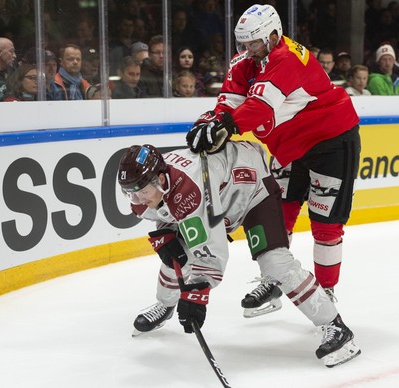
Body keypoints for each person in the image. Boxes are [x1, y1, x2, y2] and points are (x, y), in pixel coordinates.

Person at [118, 142, 361, 368]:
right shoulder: (144, 192)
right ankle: (165, 304)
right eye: (131, 193)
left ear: (160, 179)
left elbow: (212, 253)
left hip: (254, 192)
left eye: (141, 192)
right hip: (222, 194)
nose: (137, 199)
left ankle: (336, 326)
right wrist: (167, 234)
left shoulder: (189, 189)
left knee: (276, 263)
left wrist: (196, 296)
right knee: (177, 255)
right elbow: (165, 215)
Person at [185, 4, 361, 310]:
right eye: (243, 44)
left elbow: (259, 109)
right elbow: (230, 101)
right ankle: (276, 278)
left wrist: (224, 125)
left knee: (325, 225)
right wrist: (210, 120)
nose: (248, 50)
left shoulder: (286, 58)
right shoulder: (245, 61)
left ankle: (326, 293)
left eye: (254, 43)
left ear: (274, 35)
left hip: (330, 141)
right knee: (276, 215)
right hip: (289, 148)